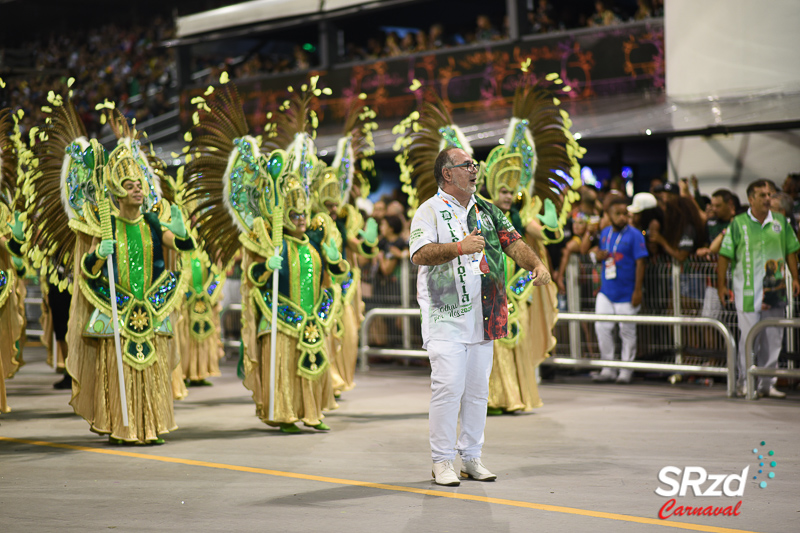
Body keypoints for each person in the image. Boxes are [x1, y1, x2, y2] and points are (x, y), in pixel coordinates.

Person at [410, 147, 551, 486]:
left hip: (485, 316)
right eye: (467, 165)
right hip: (445, 317)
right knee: (448, 389)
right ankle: (442, 461)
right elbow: (419, 254)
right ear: (447, 173)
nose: (475, 170)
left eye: (474, 165)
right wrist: (459, 247)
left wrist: (536, 264)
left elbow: (512, 242)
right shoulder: (428, 211)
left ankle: (471, 457)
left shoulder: (486, 210)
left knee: (476, 392)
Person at [718, 179, 800, 398]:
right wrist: (721, 286)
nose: (767, 199)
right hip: (746, 292)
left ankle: (767, 383)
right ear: (750, 198)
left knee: (774, 338)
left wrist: (795, 278)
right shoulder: (738, 223)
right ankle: (746, 382)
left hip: (776, 291)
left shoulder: (781, 222)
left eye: (769, 195)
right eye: (762, 195)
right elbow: (724, 256)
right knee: (749, 339)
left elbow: (791, 250)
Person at [582, 197, 648, 384]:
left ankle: (626, 370)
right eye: (617, 214)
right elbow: (585, 249)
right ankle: (608, 368)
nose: (622, 217)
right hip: (606, 291)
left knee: (627, 332)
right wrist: (597, 254)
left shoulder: (635, 235)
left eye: (625, 213)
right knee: (601, 328)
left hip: (627, 292)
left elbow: (641, 263)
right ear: (608, 215)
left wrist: (637, 291)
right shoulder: (604, 233)